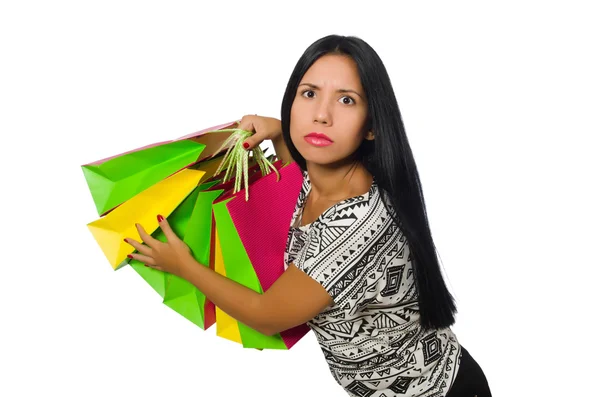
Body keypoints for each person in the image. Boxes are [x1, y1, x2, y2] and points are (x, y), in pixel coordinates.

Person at [125, 35, 492, 396]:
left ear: (372, 126)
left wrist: (183, 265)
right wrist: (282, 134)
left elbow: (267, 315)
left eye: (346, 100)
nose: (321, 115)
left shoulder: (354, 224)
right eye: (309, 93)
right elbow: (296, 194)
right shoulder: (325, 179)